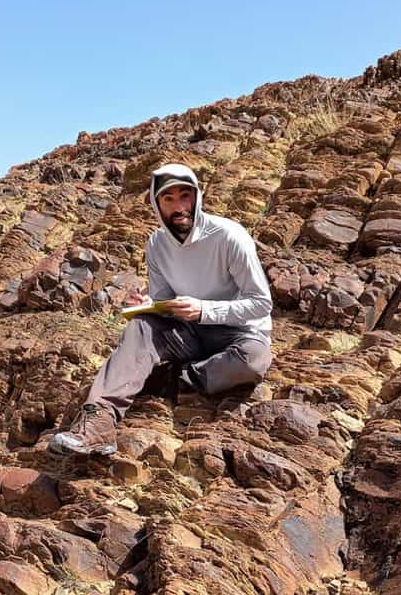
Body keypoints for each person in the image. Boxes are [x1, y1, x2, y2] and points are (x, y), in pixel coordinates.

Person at [49, 163, 273, 455]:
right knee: (141, 324)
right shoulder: (156, 244)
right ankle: (98, 424)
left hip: (236, 334)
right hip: (188, 332)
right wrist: (151, 306)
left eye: (185, 196)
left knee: (254, 360)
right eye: (169, 199)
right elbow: (165, 299)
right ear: (157, 205)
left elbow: (260, 303)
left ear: (197, 196)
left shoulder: (229, 237)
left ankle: (175, 379)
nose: (179, 207)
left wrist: (204, 310)